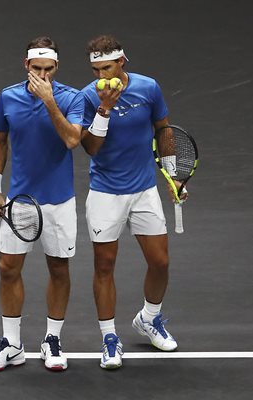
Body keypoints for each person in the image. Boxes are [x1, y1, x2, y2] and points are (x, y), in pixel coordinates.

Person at [0, 36, 83, 373]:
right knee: (8, 268)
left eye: (48, 70)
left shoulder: (71, 98)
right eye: (36, 69)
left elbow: (71, 139)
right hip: (20, 200)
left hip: (59, 202)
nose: (42, 75)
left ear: (57, 67)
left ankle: (52, 339)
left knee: (59, 268)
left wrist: (49, 101)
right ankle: (12, 344)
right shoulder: (7, 96)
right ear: (26, 66)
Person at [80, 34, 186, 369]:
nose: (101, 76)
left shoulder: (148, 88)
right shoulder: (88, 96)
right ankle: (109, 338)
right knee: (104, 266)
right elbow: (90, 148)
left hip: (144, 191)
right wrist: (105, 108)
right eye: (96, 69)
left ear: (122, 62)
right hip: (104, 194)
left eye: (107, 67)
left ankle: (149, 318)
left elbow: (164, 129)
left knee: (160, 262)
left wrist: (172, 175)